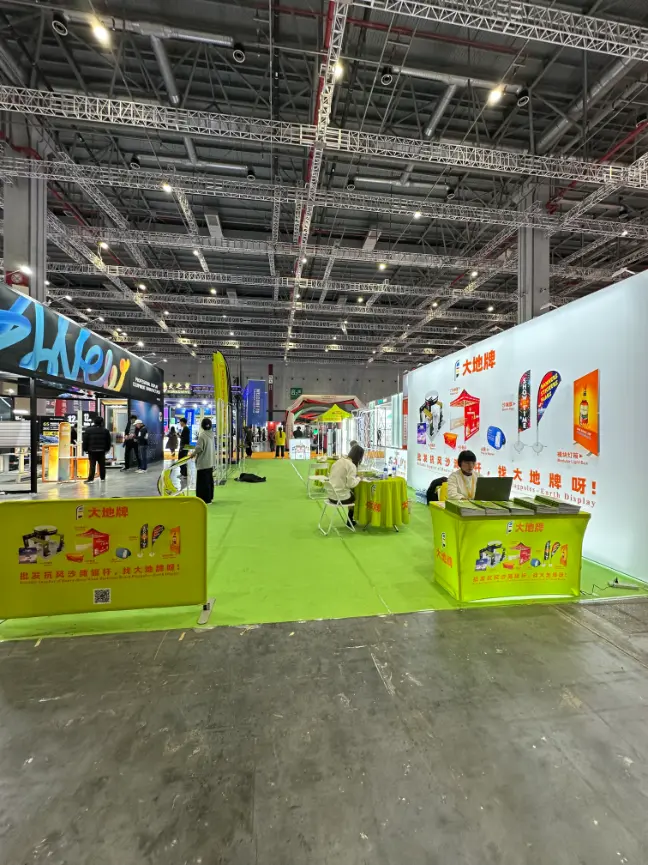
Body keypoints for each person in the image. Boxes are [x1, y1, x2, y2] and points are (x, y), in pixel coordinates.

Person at [328, 443, 364, 525]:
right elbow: (351, 484)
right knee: (356, 496)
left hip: (331, 496)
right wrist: (359, 478)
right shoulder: (352, 466)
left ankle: (350, 519)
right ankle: (351, 519)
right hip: (340, 498)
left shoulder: (338, 461)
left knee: (350, 493)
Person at [83, 416, 112, 485]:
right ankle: (102, 478)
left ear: (94, 422)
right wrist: (107, 449)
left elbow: (85, 441)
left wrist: (85, 449)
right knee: (102, 465)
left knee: (92, 465)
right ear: (102, 422)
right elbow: (108, 441)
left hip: (92, 450)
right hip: (102, 450)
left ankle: (91, 479)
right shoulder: (105, 431)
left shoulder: (88, 430)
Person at [193, 417, 215, 504]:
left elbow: (199, 448)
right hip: (210, 462)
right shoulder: (211, 435)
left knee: (202, 483)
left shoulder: (202, 436)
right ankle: (210, 498)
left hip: (203, 463)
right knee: (209, 481)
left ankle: (204, 500)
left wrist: (193, 454)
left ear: (202, 425)